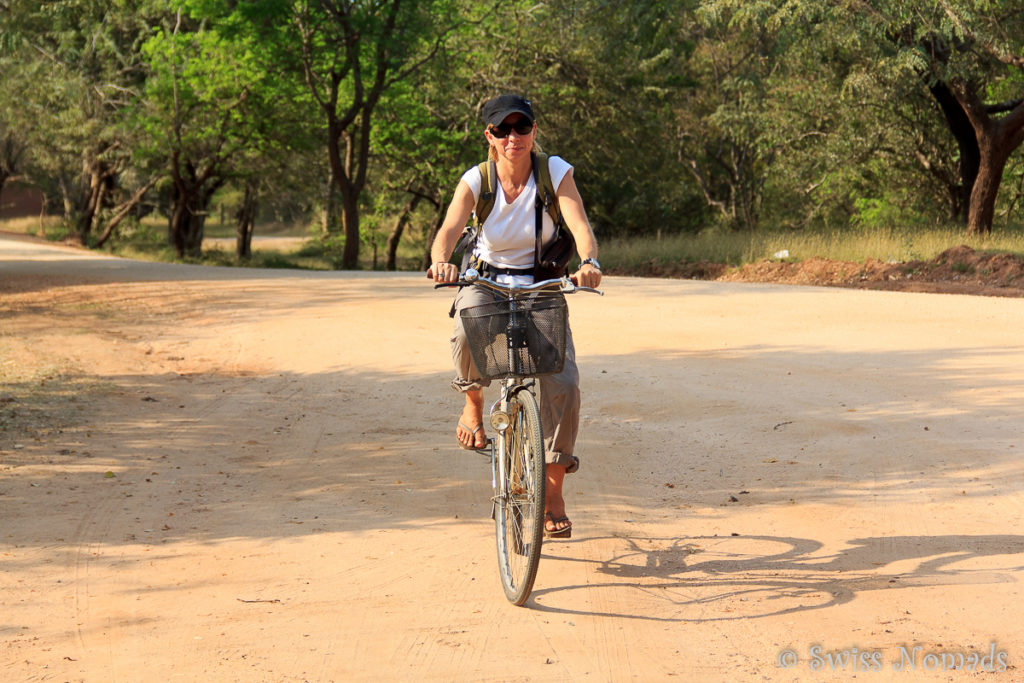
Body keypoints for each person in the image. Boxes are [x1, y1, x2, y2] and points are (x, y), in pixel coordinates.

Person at [427, 94, 601, 538]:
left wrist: (589, 263)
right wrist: (443, 260)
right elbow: (448, 228)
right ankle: (472, 403)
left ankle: (554, 485)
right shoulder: (477, 180)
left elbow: (578, 222)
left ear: (534, 131)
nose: (513, 138)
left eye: (521, 128)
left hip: (541, 282)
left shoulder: (553, 172)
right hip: (486, 280)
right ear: (489, 136)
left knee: (563, 382)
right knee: (467, 326)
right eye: (502, 130)